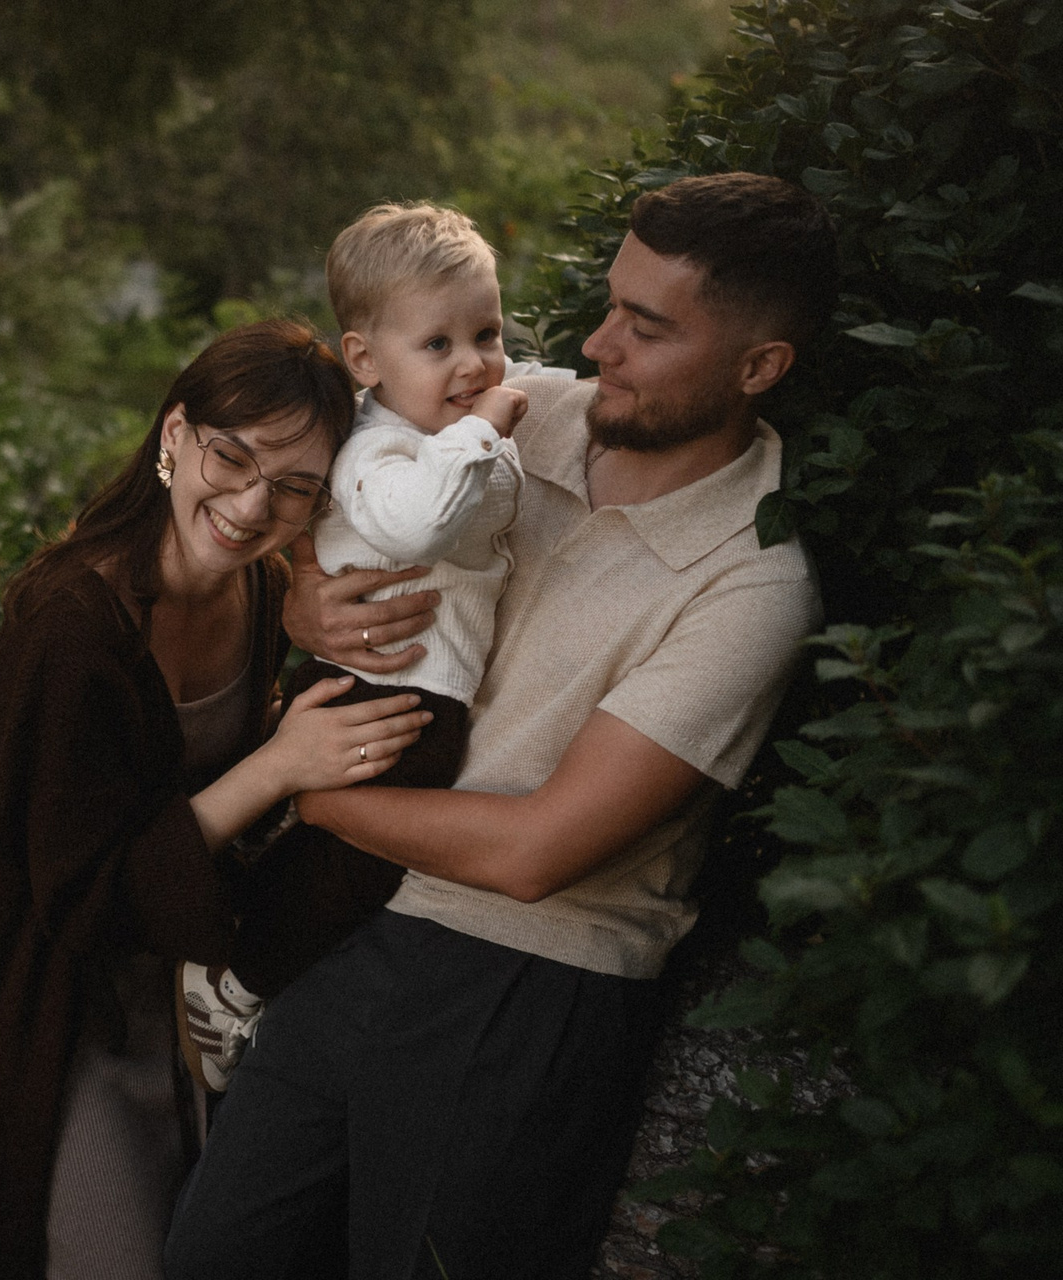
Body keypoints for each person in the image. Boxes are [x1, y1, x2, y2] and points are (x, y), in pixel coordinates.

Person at [166, 171, 836, 1279]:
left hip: (522, 990)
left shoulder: (754, 585)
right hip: (348, 922)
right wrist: (304, 590)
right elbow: (330, 486)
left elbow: (537, 853)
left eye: (646, 327)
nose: (598, 343)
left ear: (758, 366)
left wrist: (304, 787)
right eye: (611, 305)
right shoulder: (528, 411)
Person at [0, 319, 433, 1280]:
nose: (251, 505)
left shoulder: (261, 591)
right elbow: (81, 882)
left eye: (294, 487)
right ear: (175, 434)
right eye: (232, 457)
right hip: (34, 957)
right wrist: (278, 765)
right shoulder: (72, 624)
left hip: (171, 950)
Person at [175, 202, 575, 1093]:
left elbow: (517, 406)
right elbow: (419, 524)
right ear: (365, 360)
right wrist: (485, 426)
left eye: (487, 334)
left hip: (409, 688)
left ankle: (235, 931)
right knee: (356, 868)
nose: (474, 363)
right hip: (380, 688)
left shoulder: (443, 425)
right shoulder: (378, 449)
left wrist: (494, 408)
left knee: (345, 854)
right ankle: (233, 978)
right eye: (438, 344)